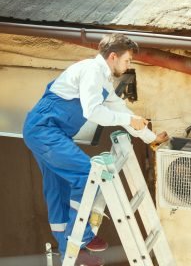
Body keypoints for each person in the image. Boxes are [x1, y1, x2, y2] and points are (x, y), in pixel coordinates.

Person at [22, 33, 169, 264]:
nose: (128, 65)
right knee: (86, 174)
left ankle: (68, 247)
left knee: (57, 186)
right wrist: (129, 121)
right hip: (44, 130)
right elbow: (92, 112)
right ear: (113, 56)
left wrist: (151, 139)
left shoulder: (104, 81)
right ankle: (78, 239)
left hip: (52, 132)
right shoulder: (91, 70)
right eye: (127, 60)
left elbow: (123, 113)